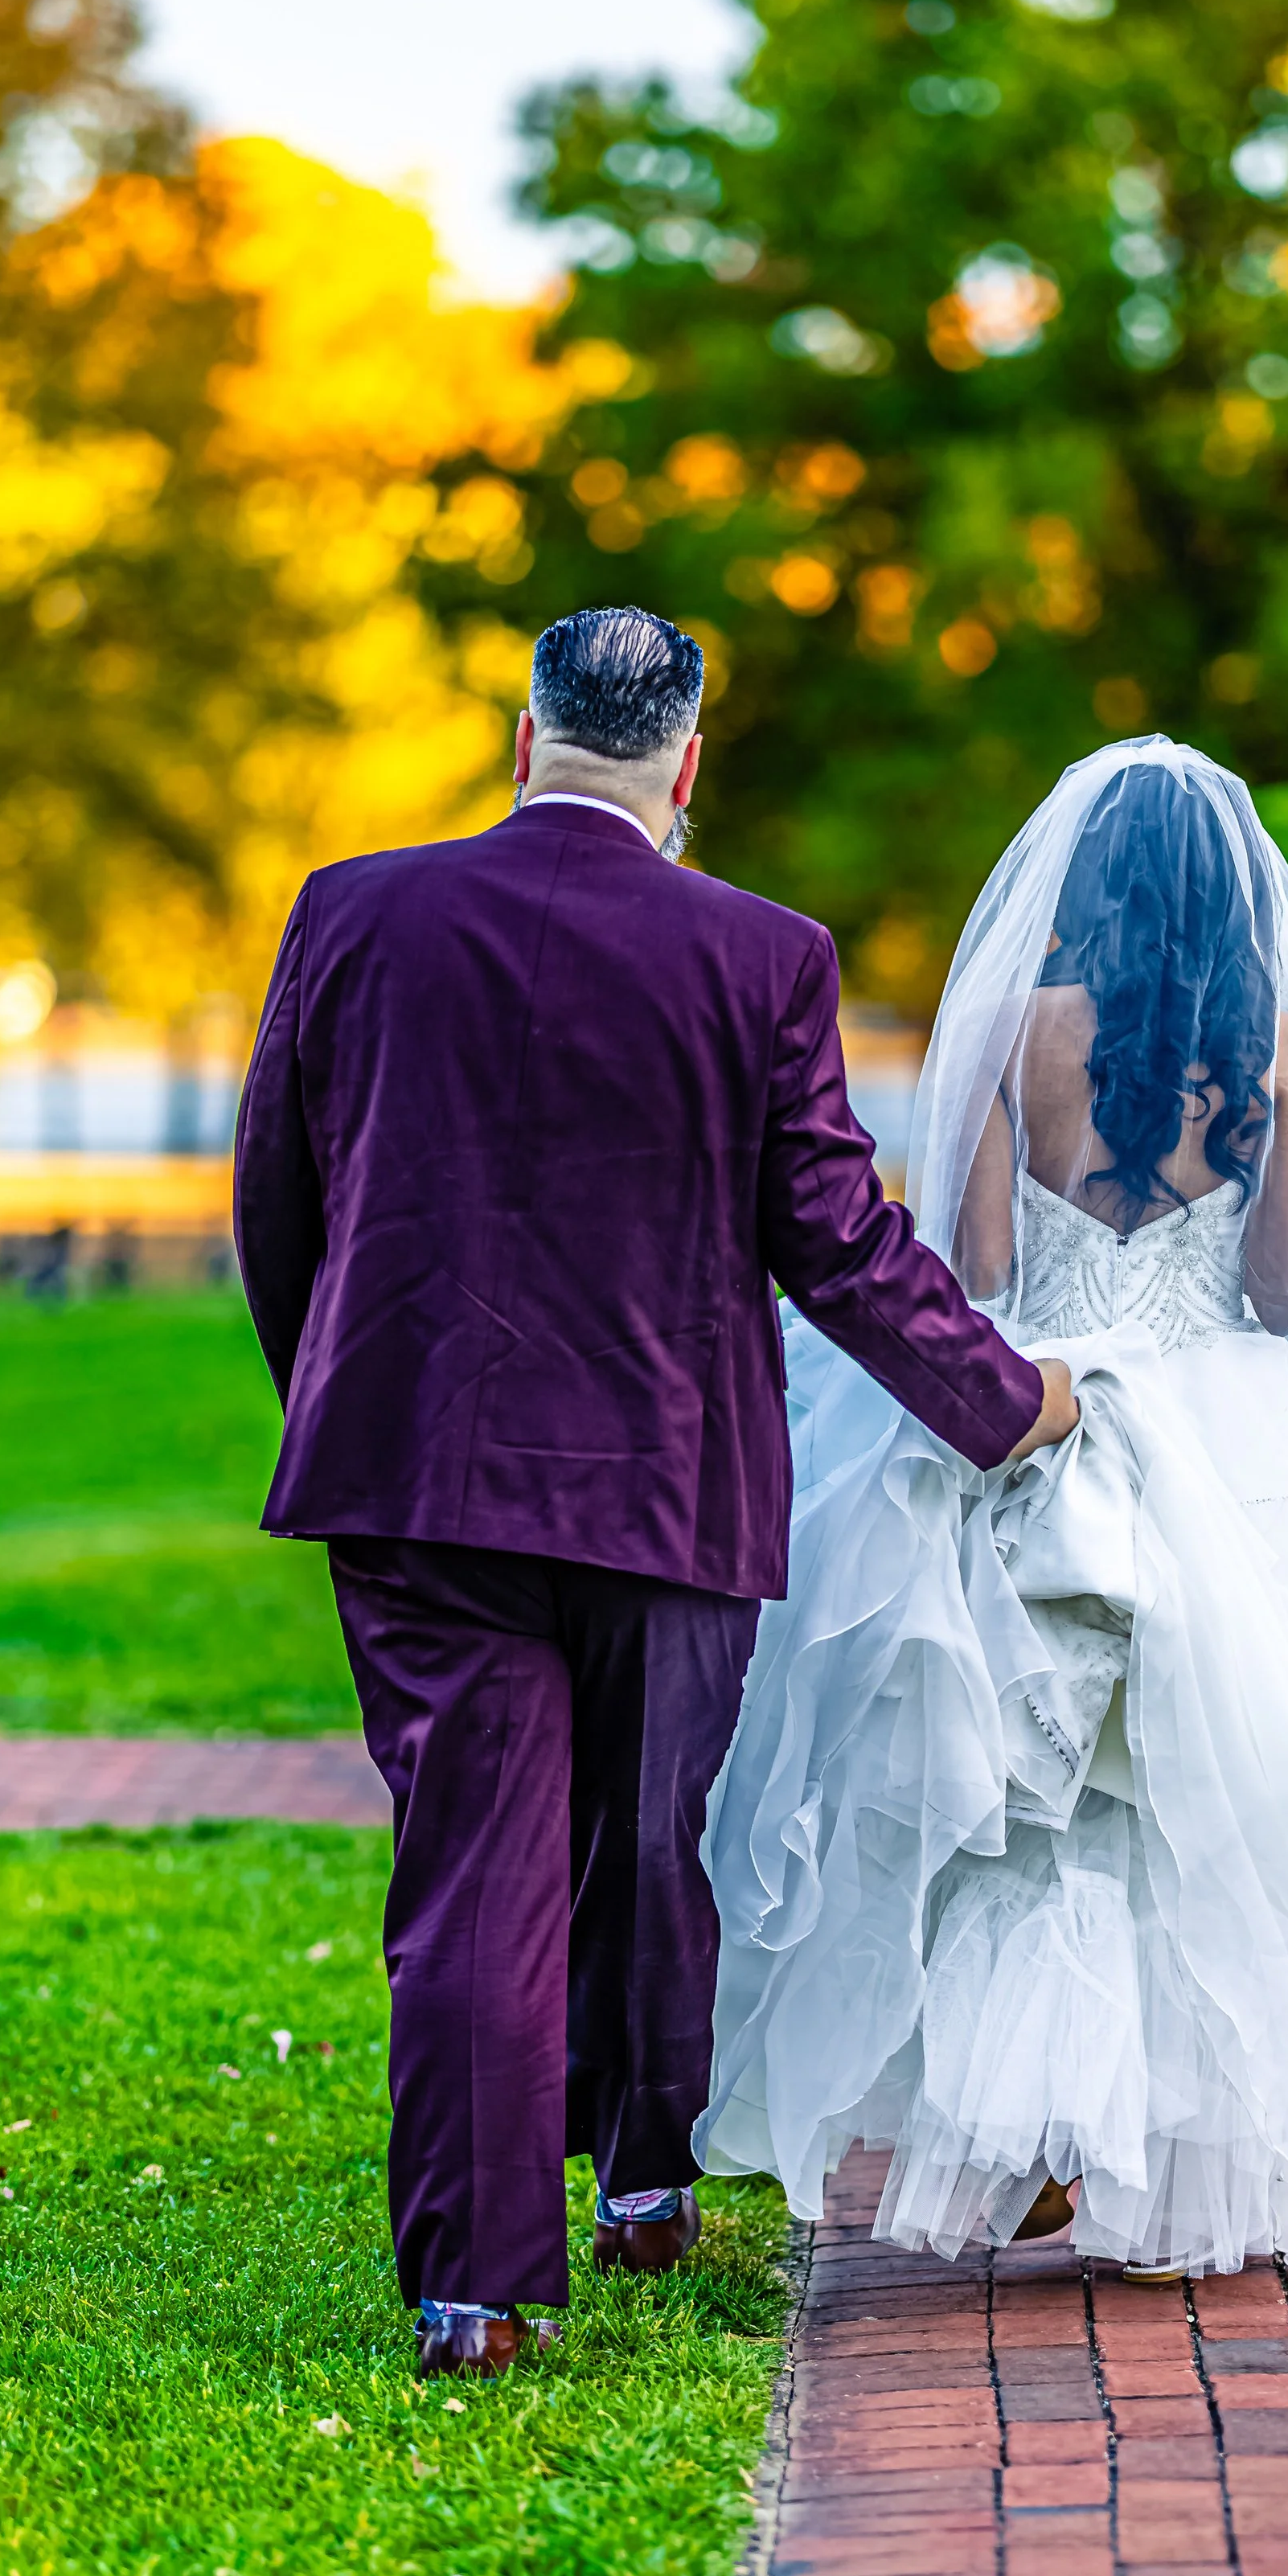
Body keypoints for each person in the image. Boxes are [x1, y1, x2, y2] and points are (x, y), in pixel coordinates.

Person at [232, 606, 1077, 2379]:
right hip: (665, 1484)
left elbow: (276, 1200)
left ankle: (476, 2288)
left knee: (474, 1865)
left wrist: (342, 1389)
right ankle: (638, 2182)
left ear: (517, 734)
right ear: (685, 764)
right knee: (648, 1837)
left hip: (419, 1482)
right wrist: (1006, 1404)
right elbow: (835, 1238)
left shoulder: (352, 912)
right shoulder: (761, 955)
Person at [700, 740, 1288, 2281]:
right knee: (1208, 1802)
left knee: (1035, 1805)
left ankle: (1032, 2137)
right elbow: (1286, 1294)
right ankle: (1183, 2179)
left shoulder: (1022, 1032)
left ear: (1075, 891)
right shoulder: (1283, 1044)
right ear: (1237, 900)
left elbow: (976, 1275)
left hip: (1051, 1416)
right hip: (1228, 1437)